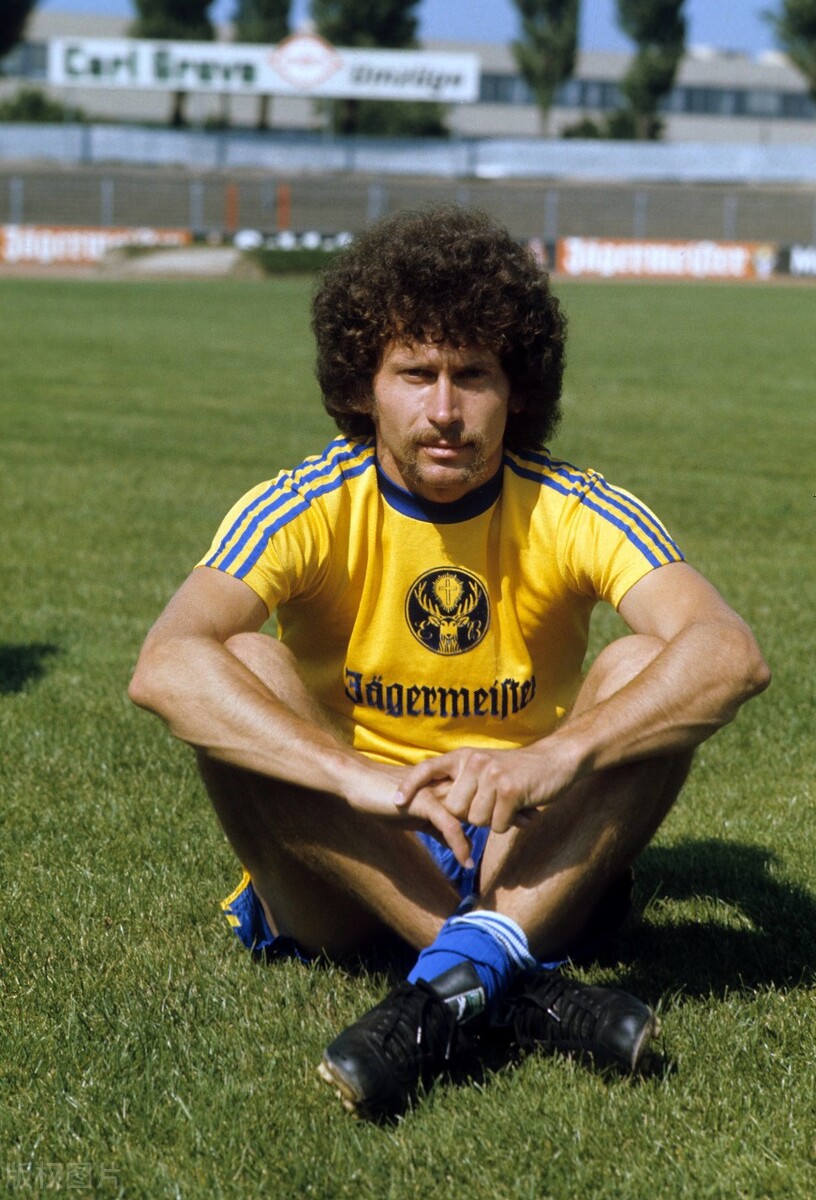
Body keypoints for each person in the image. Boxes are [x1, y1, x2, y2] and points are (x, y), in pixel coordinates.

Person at [129, 206, 770, 1122]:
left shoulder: (576, 506)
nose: (443, 410)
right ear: (363, 384)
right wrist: (354, 779)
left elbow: (728, 651)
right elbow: (164, 665)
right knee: (242, 661)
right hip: (349, 866)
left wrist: (559, 755)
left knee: (646, 663)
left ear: (517, 390)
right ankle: (510, 975)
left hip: (526, 857)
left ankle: (455, 983)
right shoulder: (305, 503)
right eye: (414, 374)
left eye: (472, 376)